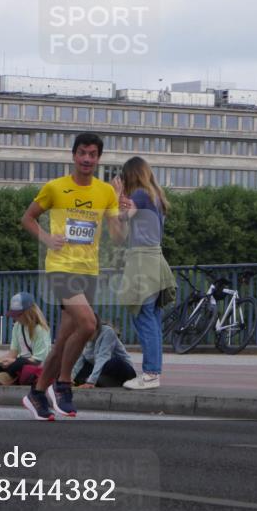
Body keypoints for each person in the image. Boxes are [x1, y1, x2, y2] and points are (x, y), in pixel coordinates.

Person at [20, 132, 124, 420]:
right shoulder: (55, 188)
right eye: (83, 153)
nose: (87, 159)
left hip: (88, 270)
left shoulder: (105, 192)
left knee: (65, 337)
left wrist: (120, 209)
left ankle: (38, 392)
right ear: (74, 155)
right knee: (89, 324)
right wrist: (46, 238)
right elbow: (27, 218)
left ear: (99, 158)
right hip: (60, 268)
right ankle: (64, 384)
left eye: (93, 154)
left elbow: (117, 236)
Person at [111, 156, 176, 390]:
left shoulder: (138, 194)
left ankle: (150, 374)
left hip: (143, 262)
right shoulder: (156, 197)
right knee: (152, 319)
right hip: (156, 261)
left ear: (131, 175)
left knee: (143, 317)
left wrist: (117, 194)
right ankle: (153, 372)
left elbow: (122, 216)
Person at [0, 292, 51, 385]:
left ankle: (6, 378)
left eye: (17, 315)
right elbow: (13, 353)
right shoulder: (17, 326)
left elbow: (39, 360)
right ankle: (5, 377)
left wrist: (13, 361)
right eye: (13, 315)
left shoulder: (40, 329)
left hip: (31, 365)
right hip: (17, 363)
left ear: (28, 312)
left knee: (19, 364)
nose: (15, 318)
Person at [72, 315, 137, 388]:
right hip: (102, 371)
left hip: (121, 370)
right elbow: (80, 360)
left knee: (114, 362)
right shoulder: (83, 337)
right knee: (81, 370)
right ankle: (103, 381)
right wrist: (71, 378)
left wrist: (91, 381)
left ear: (94, 327)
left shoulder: (108, 332)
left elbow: (103, 357)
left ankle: (94, 380)